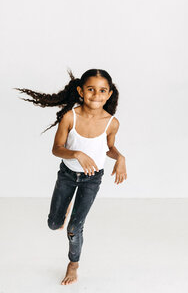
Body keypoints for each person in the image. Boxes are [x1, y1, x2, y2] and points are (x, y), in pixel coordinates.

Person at [16, 69, 127, 285]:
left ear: (110, 94)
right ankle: (64, 208)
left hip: (92, 179)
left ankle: (73, 264)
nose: (96, 95)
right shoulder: (70, 117)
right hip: (67, 175)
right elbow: (56, 148)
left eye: (102, 90)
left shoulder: (112, 122)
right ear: (80, 91)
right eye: (91, 89)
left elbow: (109, 147)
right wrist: (76, 153)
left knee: (74, 228)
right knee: (53, 224)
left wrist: (120, 157)